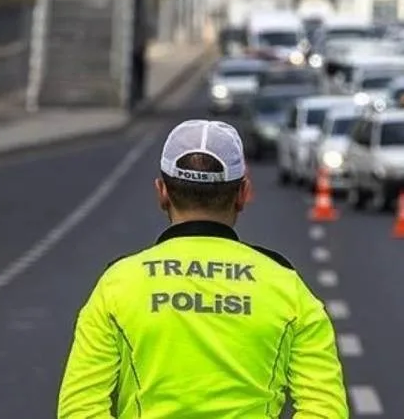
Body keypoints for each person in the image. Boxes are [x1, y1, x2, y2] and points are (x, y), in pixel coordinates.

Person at [57, 120, 349, 418]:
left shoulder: (117, 285)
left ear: (162, 192)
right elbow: (325, 410)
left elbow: (79, 409)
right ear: (243, 194)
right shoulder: (287, 287)